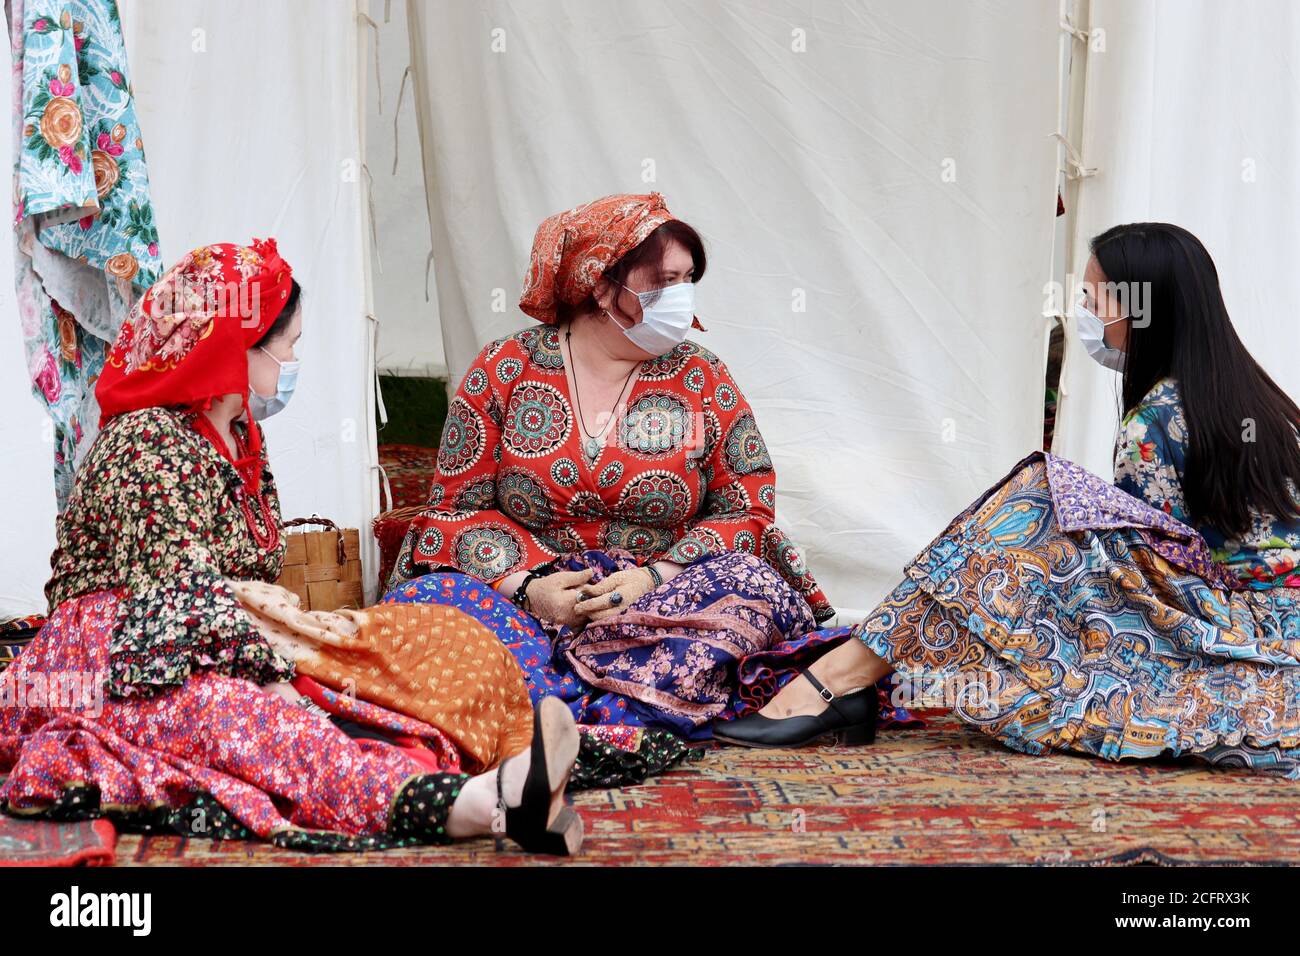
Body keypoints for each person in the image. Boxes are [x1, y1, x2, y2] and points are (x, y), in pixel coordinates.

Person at [0, 239, 584, 855]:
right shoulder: (147, 445)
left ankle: (500, 777)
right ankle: (485, 805)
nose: (295, 359)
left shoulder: (237, 431)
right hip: (122, 654)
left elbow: (238, 586)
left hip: (232, 631)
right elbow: (175, 599)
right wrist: (272, 678)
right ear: (236, 348)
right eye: (289, 345)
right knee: (255, 725)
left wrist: (287, 655)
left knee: (445, 636)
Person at [717, 223, 1300, 777]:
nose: (1089, 317)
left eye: (1098, 300)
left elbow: (1154, 568)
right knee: (1045, 511)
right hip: (1275, 618)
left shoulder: (1155, 419)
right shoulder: (1258, 399)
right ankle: (843, 679)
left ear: (1146, 310)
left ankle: (836, 681)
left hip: (1240, 630)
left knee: (1038, 498)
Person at [386, 193, 852, 740]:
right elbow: (454, 509)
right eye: (663, 282)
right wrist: (530, 587)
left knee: (751, 589)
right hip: (529, 592)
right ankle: (610, 703)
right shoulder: (504, 369)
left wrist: (654, 578)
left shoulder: (700, 376)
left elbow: (749, 507)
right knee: (426, 606)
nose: (681, 297)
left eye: (687, 279)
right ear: (602, 286)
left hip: (664, 597)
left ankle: (538, 707)